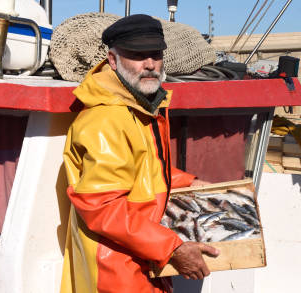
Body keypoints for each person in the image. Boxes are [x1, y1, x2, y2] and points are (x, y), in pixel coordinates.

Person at [60, 14, 219, 293]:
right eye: (136, 55)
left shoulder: (141, 106)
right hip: (114, 272)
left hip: (142, 257)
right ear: (112, 59)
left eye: (155, 54)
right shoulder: (106, 120)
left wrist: (188, 183)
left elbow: (145, 169)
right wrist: (172, 247)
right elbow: (103, 207)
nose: (149, 65)